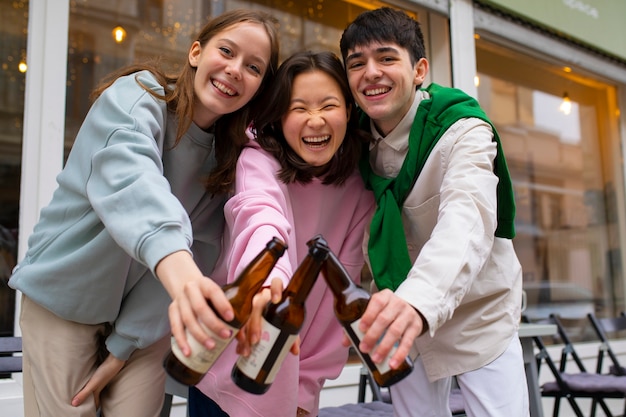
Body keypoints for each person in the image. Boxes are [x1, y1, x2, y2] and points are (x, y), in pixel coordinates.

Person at [8, 9, 279, 417]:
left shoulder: (228, 158)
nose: (235, 69)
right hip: (66, 298)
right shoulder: (137, 96)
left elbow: (203, 245)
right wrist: (185, 277)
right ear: (195, 52)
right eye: (227, 50)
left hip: (142, 320)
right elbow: (130, 180)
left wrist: (126, 344)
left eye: (254, 67)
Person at [339, 7, 528, 417]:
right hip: (394, 311)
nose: (371, 72)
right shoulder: (345, 139)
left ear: (419, 69)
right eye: (357, 64)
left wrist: (418, 302)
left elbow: (467, 219)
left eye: (386, 58)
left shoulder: (463, 129)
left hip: (478, 312)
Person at [188, 50, 376, 417]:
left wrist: (306, 393)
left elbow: (335, 300)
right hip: (225, 377)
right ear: (279, 115)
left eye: (328, 105)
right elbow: (261, 221)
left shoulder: (357, 189)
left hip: (293, 394)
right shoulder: (257, 160)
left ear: (349, 111)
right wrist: (266, 284)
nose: (316, 121)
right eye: (299, 108)